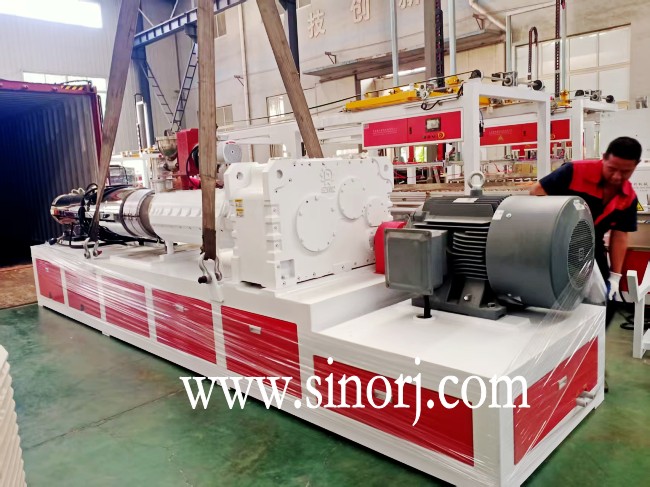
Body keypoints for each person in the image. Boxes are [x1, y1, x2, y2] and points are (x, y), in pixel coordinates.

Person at [529, 136, 642, 324]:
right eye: (612, 169)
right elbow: (536, 192)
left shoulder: (628, 197)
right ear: (604, 157)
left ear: (635, 166)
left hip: (592, 248)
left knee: (603, 302)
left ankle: (592, 339)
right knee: (553, 297)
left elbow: (620, 235)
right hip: (555, 243)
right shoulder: (574, 172)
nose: (616, 177)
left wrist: (615, 277)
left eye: (625, 172)